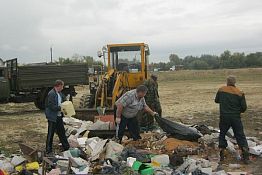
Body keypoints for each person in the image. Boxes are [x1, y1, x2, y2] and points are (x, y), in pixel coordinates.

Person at [215, 75, 249, 164]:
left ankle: (222, 153)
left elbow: (216, 100)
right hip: (235, 117)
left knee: (222, 134)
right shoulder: (240, 92)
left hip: (224, 117)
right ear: (235, 82)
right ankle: (245, 155)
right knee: (240, 135)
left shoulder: (221, 89)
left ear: (227, 82)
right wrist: (237, 110)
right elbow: (244, 108)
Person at [45, 80, 70, 155]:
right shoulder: (51, 94)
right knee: (51, 133)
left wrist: (66, 104)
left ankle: (66, 147)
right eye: (62, 86)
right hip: (52, 117)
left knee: (61, 132)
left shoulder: (59, 93)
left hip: (58, 116)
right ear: (58, 86)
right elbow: (51, 106)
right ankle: (48, 150)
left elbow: (64, 100)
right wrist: (61, 108)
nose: (62, 88)